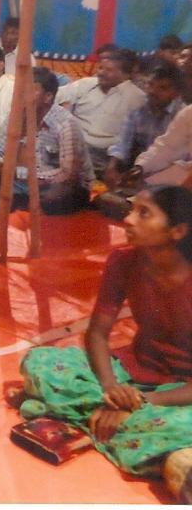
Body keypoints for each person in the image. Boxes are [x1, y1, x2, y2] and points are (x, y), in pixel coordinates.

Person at [17, 186, 192, 478]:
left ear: (177, 231)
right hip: (132, 371)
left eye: (143, 213)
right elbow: (97, 333)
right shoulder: (123, 262)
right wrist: (111, 389)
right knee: (40, 361)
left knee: (176, 423)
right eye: (132, 210)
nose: (128, 219)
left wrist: (142, 402)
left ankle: (94, 416)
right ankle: (132, 432)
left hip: (182, 390)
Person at [0, 67, 94, 215]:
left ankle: (21, 200)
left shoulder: (65, 124)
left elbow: (68, 174)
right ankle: (21, 199)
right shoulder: (16, 116)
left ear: (48, 97)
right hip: (22, 181)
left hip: (59, 186)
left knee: (55, 197)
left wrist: (22, 174)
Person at [57, 48, 146, 175]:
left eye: (108, 70)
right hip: (72, 147)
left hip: (106, 157)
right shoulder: (85, 84)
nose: (101, 73)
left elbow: (131, 141)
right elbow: (54, 96)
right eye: (100, 68)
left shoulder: (137, 98)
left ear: (125, 75)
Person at [104, 63, 185, 190]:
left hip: (172, 179)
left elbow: (179, 160)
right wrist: (112, 167)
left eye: (162, 88)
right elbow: (122, 143)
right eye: (150, 84)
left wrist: (149, 181)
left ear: (176, 93)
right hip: (140, 170)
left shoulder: (184, 116)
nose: (152, 91)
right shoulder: (138, 108)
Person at [134, 103, 192, 187]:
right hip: (183, 178)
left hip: (186, 181)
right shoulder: (189, 113)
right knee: (144, 190)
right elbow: (167, 147)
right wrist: (141, 167)